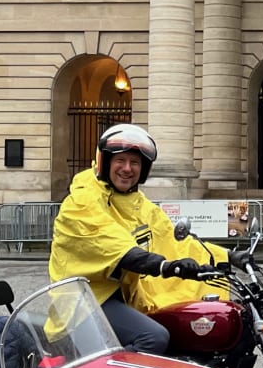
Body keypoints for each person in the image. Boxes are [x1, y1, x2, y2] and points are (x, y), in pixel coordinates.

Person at [48, 123, 225, 353]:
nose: (127, 168)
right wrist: (165, 266)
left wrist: (229, 256)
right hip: (84, 303)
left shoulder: (137, 203)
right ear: (104, 162)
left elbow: (170, 239)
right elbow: (114, 245)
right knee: (153, 337)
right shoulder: (82, 202)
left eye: (135, 162)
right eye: (120, 160)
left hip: (122, 296)